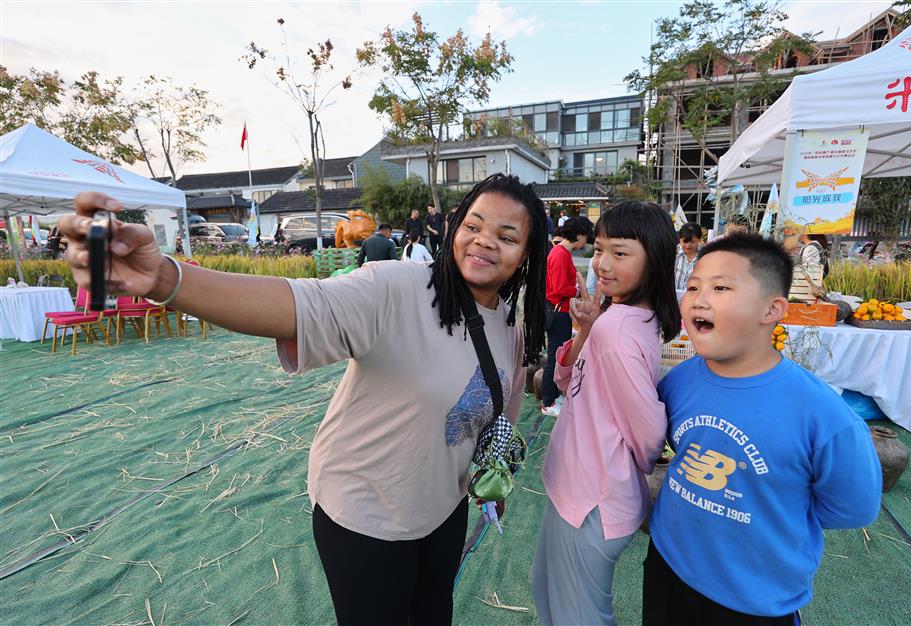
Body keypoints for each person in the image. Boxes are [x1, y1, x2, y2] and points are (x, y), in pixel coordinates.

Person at [57, 174, 548, 626]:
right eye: (473, 225)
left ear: (526, 254)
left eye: (506, 236)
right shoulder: (396, 288)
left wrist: (495, 480)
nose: (484, 240)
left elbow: (499, 406)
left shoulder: (510, 323)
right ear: (454, 227)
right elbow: (296, 303)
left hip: (443, 508)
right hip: (367, 514)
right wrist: (165, 279)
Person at [645, 233, 882, 626]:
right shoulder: (678, 382)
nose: (698, 300)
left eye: (721, 287)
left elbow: (851, 508)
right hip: (667, 565)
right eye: (692, 287)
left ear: (772, 309)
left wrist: (770, 507)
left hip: (754, 601)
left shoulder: (824, 417)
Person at [531, 202, 681, 626]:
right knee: (548, 591)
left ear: (654, 259)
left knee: (577, 617)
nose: (602, 264)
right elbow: (565, 383)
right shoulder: (621, 319)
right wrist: (585, 331)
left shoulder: (618, 328)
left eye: (620, 252)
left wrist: (625, 461)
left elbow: (649, 432)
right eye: (599, 250)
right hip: (580, 491)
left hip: (591, 500)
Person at [540, 217, 591, 417]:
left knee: (557, 354)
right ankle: (547, 401)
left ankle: (552, 396)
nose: (586, 242)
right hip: (557, 311)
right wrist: (578, 291)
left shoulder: (560, 252)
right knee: (555, 356)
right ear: (578, 235)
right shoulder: (561, 255)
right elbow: (561, 288)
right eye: (585, 237)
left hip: (558, 310)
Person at [674, 222, 702, 291]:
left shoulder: (704, 256)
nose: (688, 245)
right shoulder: (673, 253)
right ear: (680, 239)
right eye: (684, 242)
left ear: (699, 239)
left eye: (692, 242)